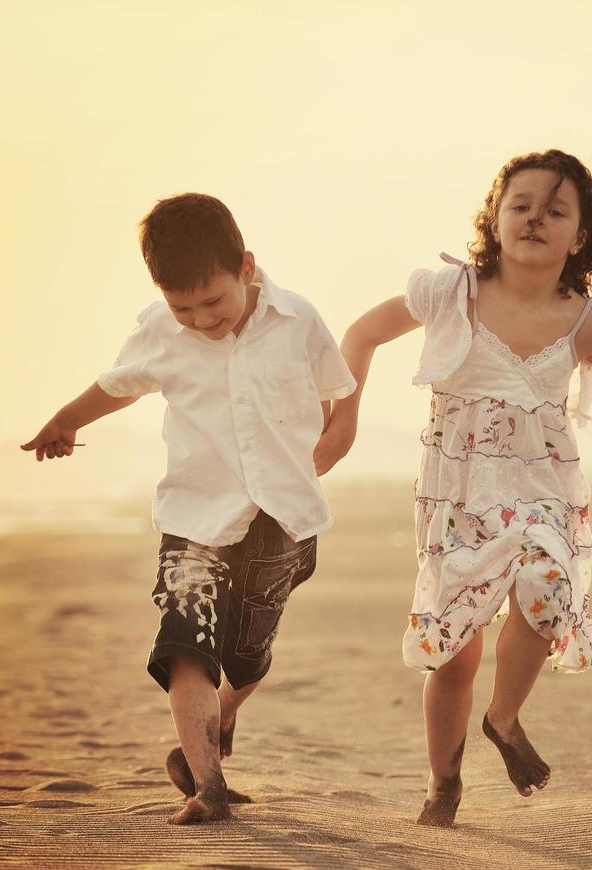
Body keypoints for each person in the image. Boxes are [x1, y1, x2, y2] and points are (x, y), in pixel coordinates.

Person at [316, 150, 592, 827]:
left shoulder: (584, 320)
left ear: (581, 237)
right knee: (454, 653)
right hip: (457, 496)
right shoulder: (450, 295)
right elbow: (363, 332)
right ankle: (443, 783)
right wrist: (343, 423)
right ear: (494, 217)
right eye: (522, 204)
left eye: (556, 210)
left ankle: (504, 717)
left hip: (543, 486)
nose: (536, 218)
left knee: (548, 585)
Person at [21, 193, 355, 824]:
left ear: (247, 268)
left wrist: (332, 443)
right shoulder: (159, 328)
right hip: (194, 520)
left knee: (250, 655)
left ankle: (220, 718)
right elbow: (118, 384)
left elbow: (336, 391)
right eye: (184, 308)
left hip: (282, 519)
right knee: (186, 643)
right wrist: (65, 419)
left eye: (214, 302)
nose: (201, 320)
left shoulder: (298, 319)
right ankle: (209, 786)